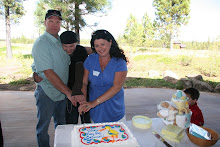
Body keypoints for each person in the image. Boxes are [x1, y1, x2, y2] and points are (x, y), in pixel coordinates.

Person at [31, 10, 76, 147]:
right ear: (45, 22)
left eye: (57, 22)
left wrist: (95, 49)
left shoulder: (60, 40)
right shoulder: (41, 43)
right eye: (51, 21)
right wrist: (69, 92)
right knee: (43, 127)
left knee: (61, 126)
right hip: (47, 91)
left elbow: (73, 49)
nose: (54, 25)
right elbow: (49, 72)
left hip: (61, 92)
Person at [78, 29, 128, 123]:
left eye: (103, 44)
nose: (100, 48)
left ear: (110, 42)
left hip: (114, 109)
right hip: (96, 111)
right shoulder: (90, 60)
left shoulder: (119, 63)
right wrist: (84, 101)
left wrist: (93, 103)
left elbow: (116, 87)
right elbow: (84, 83)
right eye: (97, 45)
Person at [60, 31, 91, 124]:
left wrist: (78, 91)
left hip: (82, 89)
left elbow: (79, 70)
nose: (68, 49)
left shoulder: (80, 50)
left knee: (86, 121)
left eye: (71, 46)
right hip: (68, 91)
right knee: (70, 121)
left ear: (76, 44)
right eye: (65, 46)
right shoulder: (58, 52)